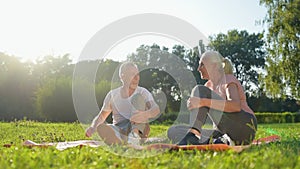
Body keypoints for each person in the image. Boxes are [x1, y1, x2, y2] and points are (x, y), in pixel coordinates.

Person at [167, 51, 257, 146]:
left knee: (199, 90)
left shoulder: (228, 79)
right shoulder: (208, 86)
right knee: (173, 131)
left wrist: (202, 101)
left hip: (244, 127)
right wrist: (195, 104)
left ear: (214, 66)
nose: (198, 69)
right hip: (222, 131)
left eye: (202, 65)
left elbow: (235, 106)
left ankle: (192, 135)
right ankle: (218, 141)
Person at [85, 62, 160, 145]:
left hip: (140, 129)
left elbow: (155, 109)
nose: (136, 78)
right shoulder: (113, 95)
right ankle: (120, 140)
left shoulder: (142, 92)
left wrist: (145, 115)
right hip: (119, 128)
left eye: (138, 74)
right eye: (132, 74)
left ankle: (134, 136)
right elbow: (102, 116)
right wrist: (93, 127)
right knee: (103, 127)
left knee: (138, 98)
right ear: (122, 76)